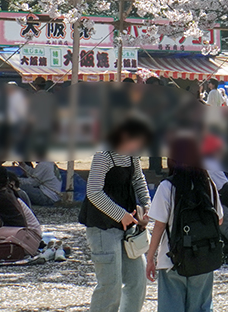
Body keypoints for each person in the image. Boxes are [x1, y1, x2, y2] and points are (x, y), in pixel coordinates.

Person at [80, 116, 154, 312]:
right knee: (110, 285)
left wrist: (147, 205)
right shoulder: (103, 156)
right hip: (103, 226)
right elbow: (93, 192)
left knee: (137, 282)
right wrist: (120, 214)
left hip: (128, 227)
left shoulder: (132, 155)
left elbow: (138, 179)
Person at [146, 135, 223, 312]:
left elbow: (159, 226)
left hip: (173, 257)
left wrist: (151, 258)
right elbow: (219, 219)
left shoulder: (167, 187)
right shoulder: (208, 185)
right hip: (203, 256)